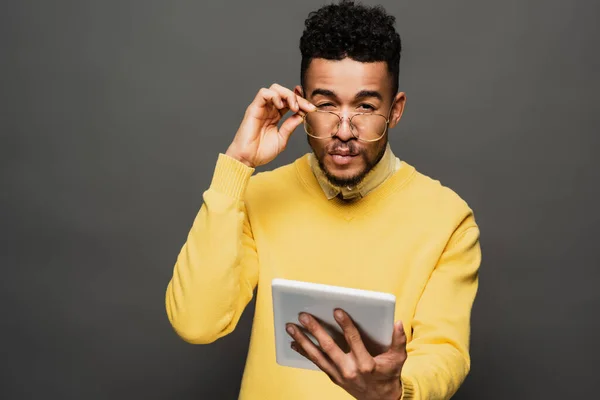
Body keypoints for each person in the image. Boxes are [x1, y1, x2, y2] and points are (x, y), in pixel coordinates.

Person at [165, 1, 482, 399]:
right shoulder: (259, 196)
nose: (344, 130)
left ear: (395, 110)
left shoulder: (447, 218)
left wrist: (397, 391)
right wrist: (237, 165)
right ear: (300, 102)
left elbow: (445, 352)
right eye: (327, 104)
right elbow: (196, 323)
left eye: (365, 106)